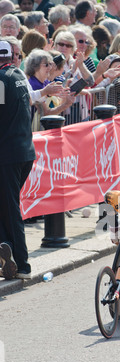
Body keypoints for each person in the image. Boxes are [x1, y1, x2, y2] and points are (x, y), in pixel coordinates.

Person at [0, 40, 36, 280]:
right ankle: (6, 248)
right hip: (24, 151)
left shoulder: (1, 80)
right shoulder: (17, 74)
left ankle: (21, 263)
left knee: (10, 207)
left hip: (9, 154)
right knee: (6, 204)